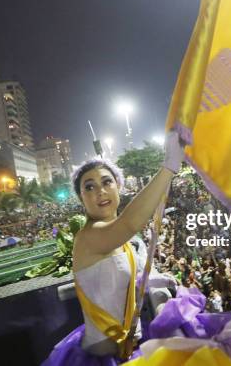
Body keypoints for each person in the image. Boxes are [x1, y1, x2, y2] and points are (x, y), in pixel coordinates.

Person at [43, 132, 183, 365]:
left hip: (132, 351)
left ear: (118, 186)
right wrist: (168, 168)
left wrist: (154, 281)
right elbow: (129, 223)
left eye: (107, 182)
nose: (100, 191)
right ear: (80, 198)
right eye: (89, 187)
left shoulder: (126, 241)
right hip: (100, 358)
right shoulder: (89, 237)